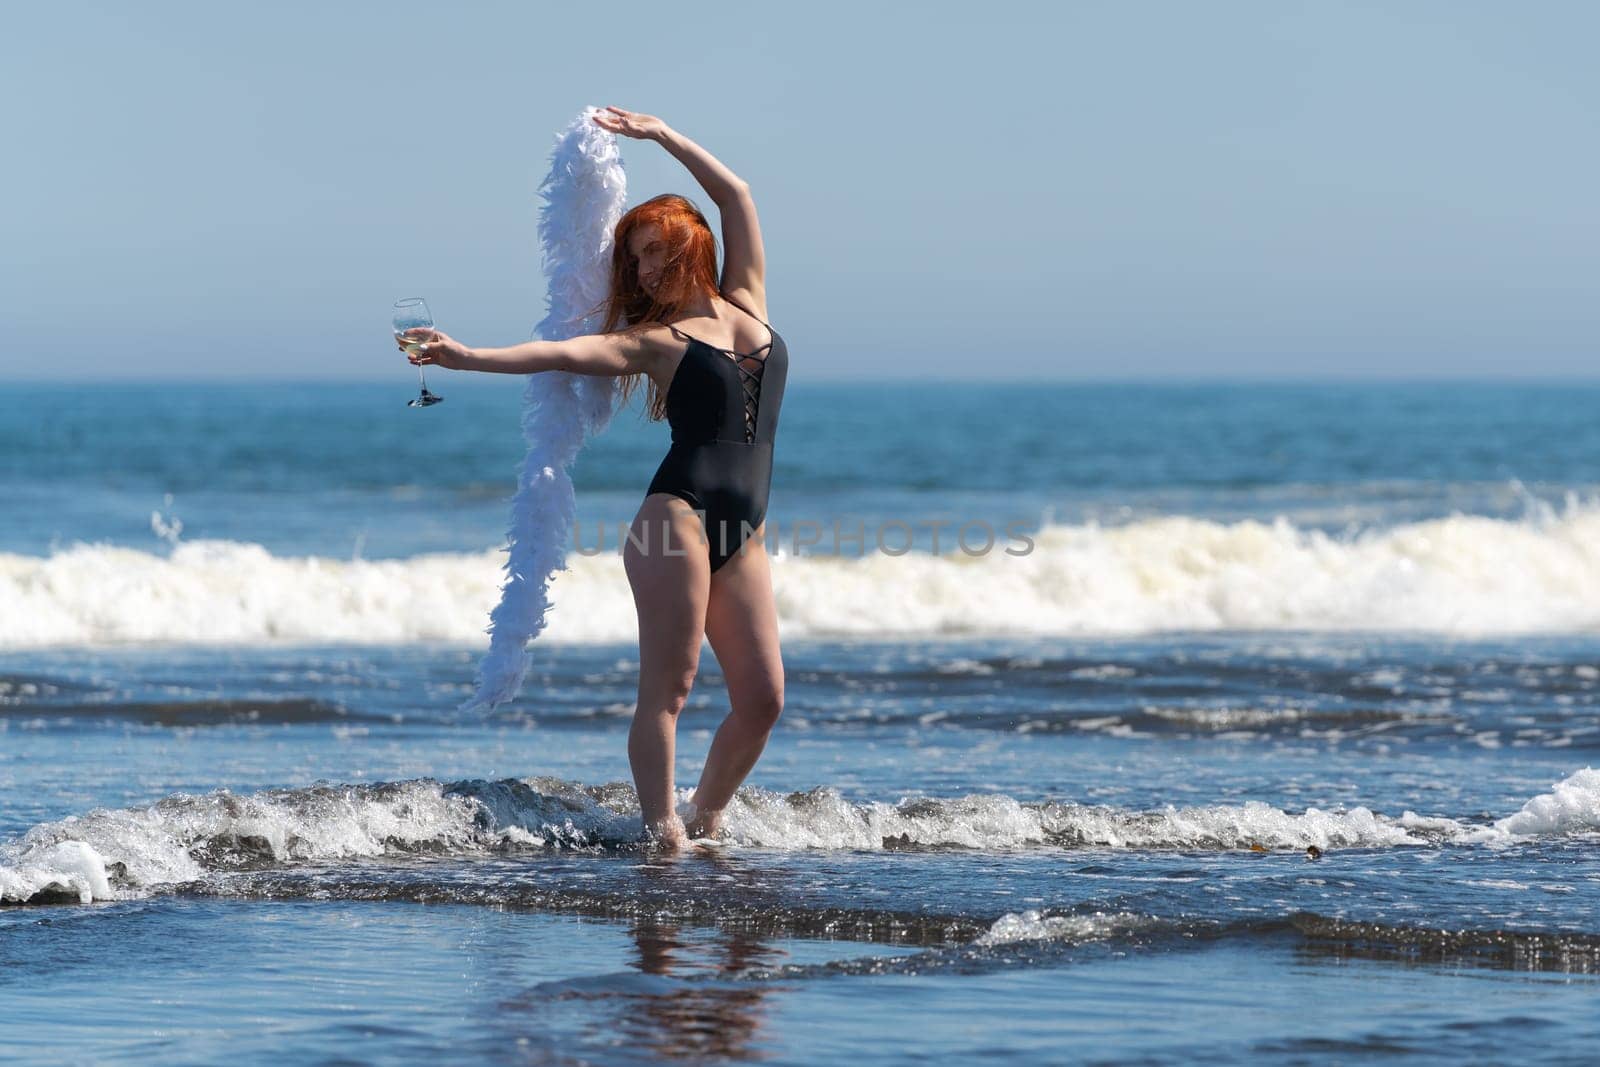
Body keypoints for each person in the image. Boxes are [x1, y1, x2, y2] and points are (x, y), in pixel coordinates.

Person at [400, 106, 788, 850]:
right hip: (676, 515)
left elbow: (736, 193)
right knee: (669, 690)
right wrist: (465, 355)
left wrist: (662, 135)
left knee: (763, 698)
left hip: (745, 528)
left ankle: (705, 817)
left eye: (649, 251)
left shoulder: (748, 301)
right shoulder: (653, 342)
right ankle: (661, 833)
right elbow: (557, 355)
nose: (641, 269)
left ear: (687, 242)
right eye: (633, 259)